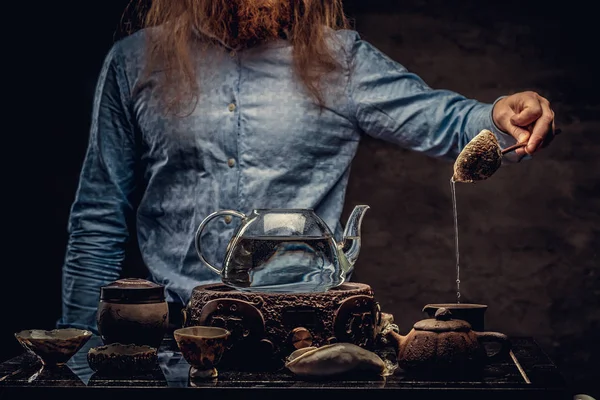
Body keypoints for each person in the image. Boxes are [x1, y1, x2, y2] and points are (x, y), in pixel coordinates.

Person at [57, 0, 558, 332]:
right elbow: (99, 217)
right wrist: (76, 358)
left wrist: (498, 115)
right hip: (168, 341)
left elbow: (449, 122)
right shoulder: (134, 61)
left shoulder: (342, 60)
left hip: (303, 341)